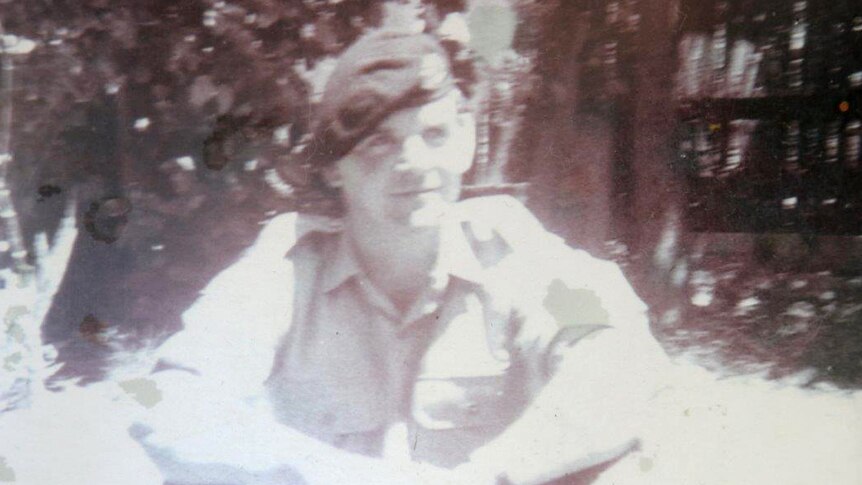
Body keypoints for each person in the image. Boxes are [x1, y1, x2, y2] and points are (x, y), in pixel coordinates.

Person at [132, 28, 670, 485]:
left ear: (464, 144)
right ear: (333, 167)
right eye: (378, 144)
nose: (414, 163)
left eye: (434, 134)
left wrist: (492, 476)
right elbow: (163, 403)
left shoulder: (517, 253)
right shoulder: (283, 271)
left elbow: (621, 364)